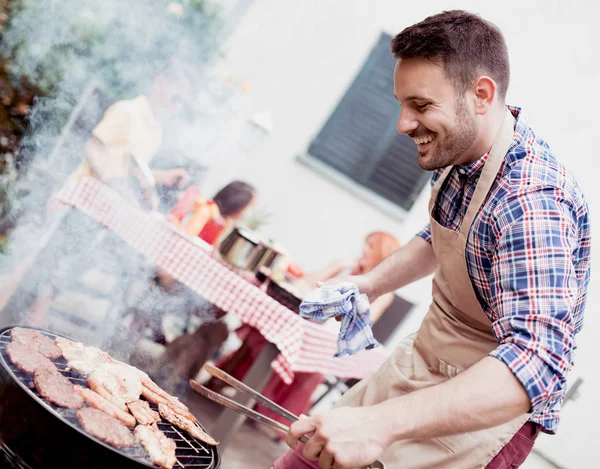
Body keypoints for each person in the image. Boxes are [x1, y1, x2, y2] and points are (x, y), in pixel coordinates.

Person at [274, 10, 591, 469]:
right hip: (421, 365)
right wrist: (369, 286)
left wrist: (378, 425)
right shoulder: (457, 151)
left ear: (481, 94)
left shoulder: (532, 203)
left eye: (421, 106)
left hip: (481, 418)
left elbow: (537, 363)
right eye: (402, 104)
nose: (403, 124)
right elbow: (443, 237)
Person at [209, 232, 401, 434]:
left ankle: (270, 411)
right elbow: (304, 285)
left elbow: (363, 320)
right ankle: (245, 391)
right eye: (366, 244)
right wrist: (334, 268)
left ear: (381, 254)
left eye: (370, 247)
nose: (363, 250)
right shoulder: (346, 269)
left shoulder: (384, 292)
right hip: (305, 322)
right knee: (266, 335)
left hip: (327, 340)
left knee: (312, 369)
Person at [70, 59, 195, 206]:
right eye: (176, 98)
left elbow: (128, 169)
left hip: (103, 205)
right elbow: (92, 147)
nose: (178, 107)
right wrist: (111, 182)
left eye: (183, 103)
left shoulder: (156, 133)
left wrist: (160, 178)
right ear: (159, 83)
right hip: (80, 196)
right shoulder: (128, 110)